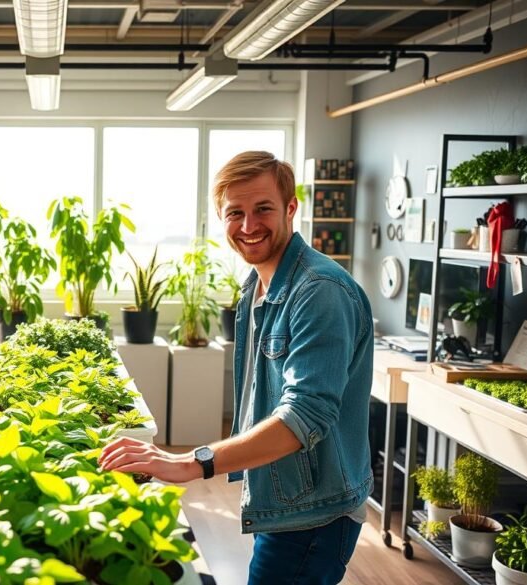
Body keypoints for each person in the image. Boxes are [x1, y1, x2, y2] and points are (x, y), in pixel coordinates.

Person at [99, 151, 374, 585]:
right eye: (235, 213)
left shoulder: (319, 291)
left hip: (312, 516)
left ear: (290, 208)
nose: (248, 226)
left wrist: (193, 462)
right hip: (284, 498)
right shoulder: (257, 289)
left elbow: (304, 416)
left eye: (262, 208)